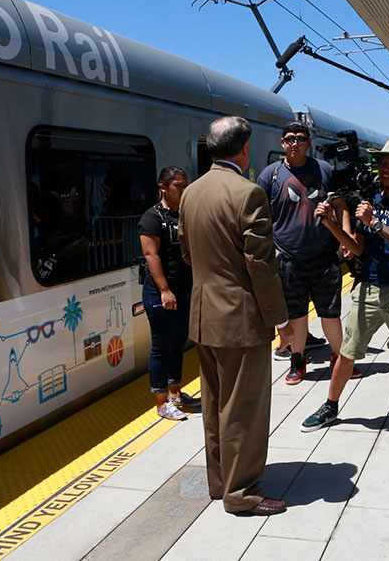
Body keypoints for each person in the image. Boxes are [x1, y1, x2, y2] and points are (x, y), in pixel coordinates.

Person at [178, 116, 293, 517]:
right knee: (243, 406)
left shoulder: (190, 193)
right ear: (244, 150)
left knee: (213, 404)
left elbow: (187, 253)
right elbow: (261, 266)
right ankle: (242, 492)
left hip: (203, 315)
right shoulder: (249, 194)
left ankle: (219, 481)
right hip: (241, 320)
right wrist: (282, 320)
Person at [301, 140, 389, 442]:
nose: (385, 167)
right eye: (382, 162)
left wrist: (374, 222)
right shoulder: (372, 199)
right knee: (347, 353)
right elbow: (358, 249)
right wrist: (331, 224)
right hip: (368, 288)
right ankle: (331, 405)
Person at [256, 121, 361, 384]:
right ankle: (297, 360)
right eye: (290, 139)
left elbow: (340, 206)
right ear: (282, 143)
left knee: (331, 313)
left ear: (308, 142)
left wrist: (347, 239)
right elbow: (260, 218)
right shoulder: (270, 175)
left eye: (300, 139)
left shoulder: (324, 170)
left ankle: (339, 357)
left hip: (324, 256)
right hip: (288, 257)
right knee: (297, 315)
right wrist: (272, 251)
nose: (295, 143)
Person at [139, 166, 200, 421]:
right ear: (163, 187)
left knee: (178, 344)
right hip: (161, 294)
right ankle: (161, 402)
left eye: (186, 184)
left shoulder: (182, 214)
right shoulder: (152, 218)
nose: (184, 190)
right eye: (179, 186)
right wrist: (164, 290)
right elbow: (151, 255)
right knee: (161, 347)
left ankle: (176, 394)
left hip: (184, 289)